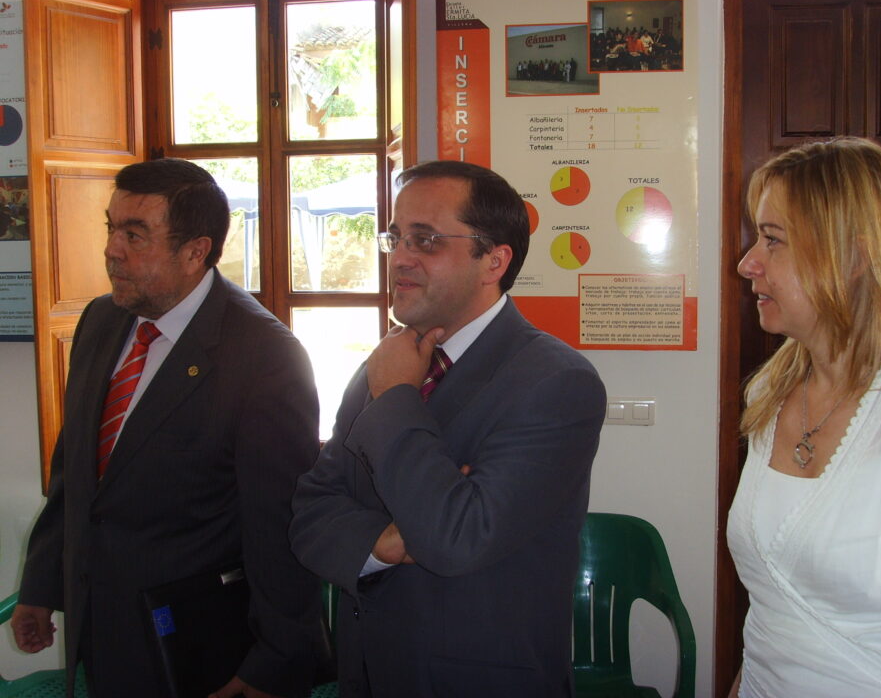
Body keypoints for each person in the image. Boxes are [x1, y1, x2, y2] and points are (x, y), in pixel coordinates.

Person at [11, 158, 332, 698]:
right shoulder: (100, 320)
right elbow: (76, 473)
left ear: (195, 251)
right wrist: (41, 585)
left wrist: (275, 661)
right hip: (102, 626)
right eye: (112, 228)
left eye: (135, 235)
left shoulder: (264, 357)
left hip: (197, 641)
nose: (112, 249)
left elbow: (279, 522)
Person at [289, 160, 606, 698]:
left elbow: (457, 539)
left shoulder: (556, 382)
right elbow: (311, 510)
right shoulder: (385, 364)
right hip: (369, 674)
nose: (400, 258)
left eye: (426, 239)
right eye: (396, 238)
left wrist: (396, 398)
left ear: (494, 261)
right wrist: (382, 542)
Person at [728, 137, 881, 697]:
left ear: (855, 258)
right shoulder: (771, 390)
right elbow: (772, 617)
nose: (747, 263)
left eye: (773, 240)